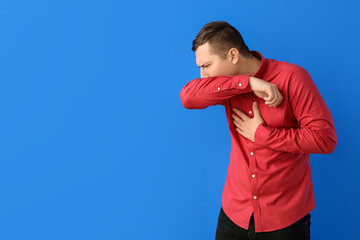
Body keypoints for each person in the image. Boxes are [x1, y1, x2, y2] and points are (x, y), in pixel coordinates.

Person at [179, 21, 337, 240]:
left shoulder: (292, 77)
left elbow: (325, 138)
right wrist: (250, 83)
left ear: (233, 56)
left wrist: (262, 135)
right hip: (234, 215)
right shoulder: (227, 86)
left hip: (284, 218)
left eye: (206, 66)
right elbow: (188, 97)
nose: (202, 75)